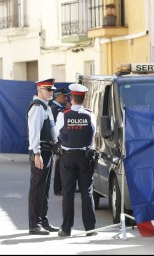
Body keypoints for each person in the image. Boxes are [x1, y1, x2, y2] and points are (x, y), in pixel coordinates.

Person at [55, 83, 97, 237]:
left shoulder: (62, 115)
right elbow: (93, 134)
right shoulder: (90, 115)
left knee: (68, 192)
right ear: (84, 98)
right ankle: (91, 229)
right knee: (87, 192)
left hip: (67, 157)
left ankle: (66, 229)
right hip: (85, 157)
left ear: (71, 98)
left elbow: (56, 133)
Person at [27, 78, 59, 235]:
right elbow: (34, 133)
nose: (51, 92)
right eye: (48, 89)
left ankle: (43, 220)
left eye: (52, 89)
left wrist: (51, 154)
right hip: (40, 152)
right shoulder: (38, 107)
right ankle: (34, 224)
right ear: (39, 89)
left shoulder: (45, 107)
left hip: (48, 151)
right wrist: (37, 153)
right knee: (37, 188)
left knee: (44, 190)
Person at [49, 88, 70, 196]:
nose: (66, 98)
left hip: (62, 140)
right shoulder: (55, 109)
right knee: (59, 164)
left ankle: (63, 186)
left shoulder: (59, 108)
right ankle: (58, 188)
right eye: (64, 96)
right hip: (58, 141)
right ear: (58, 96)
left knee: (62, 164)